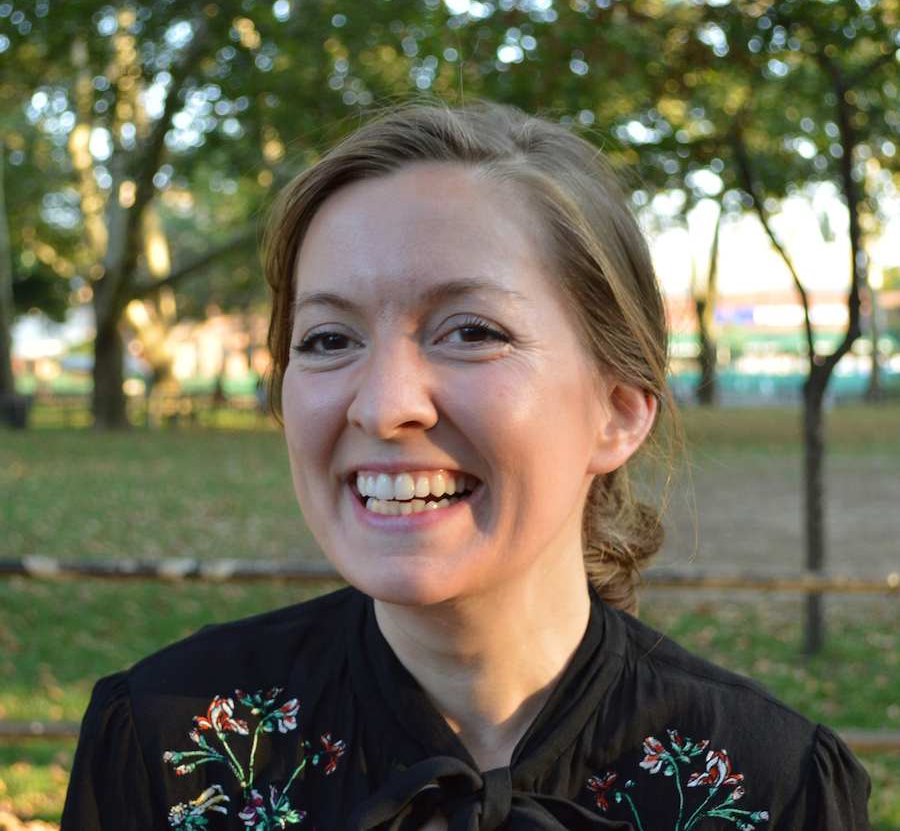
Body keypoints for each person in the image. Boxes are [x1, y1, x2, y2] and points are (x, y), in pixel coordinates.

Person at [62, 104, 870, 830]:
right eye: (328, 339)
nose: (382, 407)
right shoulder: (167, 746)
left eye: (472, 331)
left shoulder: (771, 789)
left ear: (618, 409)